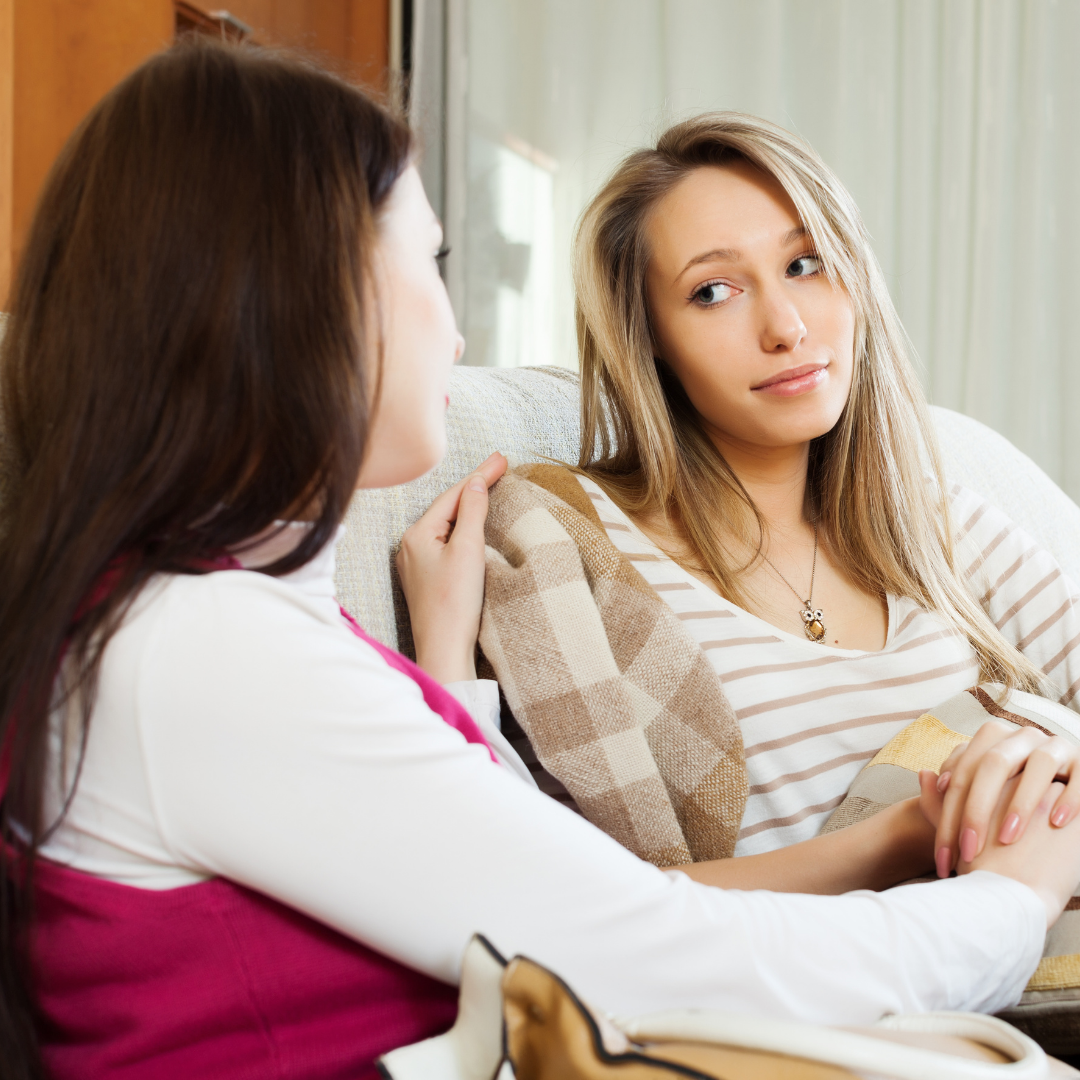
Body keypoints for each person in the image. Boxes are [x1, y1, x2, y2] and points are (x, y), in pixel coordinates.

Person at [0, 41, 1077, 1080]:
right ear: (300, 299)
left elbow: (511, 878)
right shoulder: (201, 652)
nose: (459, 337)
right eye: (430, 262)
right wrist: (1013, 897)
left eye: (806, 264)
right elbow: (641, 952)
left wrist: (445, 668)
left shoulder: (223, 622)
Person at [493, 111, 1080, 890]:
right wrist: (909, 831)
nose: (787, 327)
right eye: (713, 291)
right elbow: (587, 906)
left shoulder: (945, 527)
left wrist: (1052, 747)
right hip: (812, 999)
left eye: (806, 264)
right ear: (649, 338)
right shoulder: (572, 544)